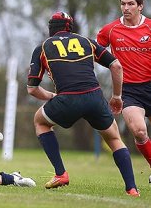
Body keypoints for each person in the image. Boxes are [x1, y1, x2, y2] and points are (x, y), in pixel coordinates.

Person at [27, 11, 139, 196]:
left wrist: (52, 96)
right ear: (70, 27)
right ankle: (132, 188)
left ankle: (60, 173)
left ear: (51, 28)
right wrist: (117, 96)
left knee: (40, 121)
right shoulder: (86, 41)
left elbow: (32, 89)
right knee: (114, 139)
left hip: (67, 99)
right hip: (94, 97)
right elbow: (117, 66)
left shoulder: (43, 47)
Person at [97, 0, 151, 183]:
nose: (126, 8)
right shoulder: (109, 30)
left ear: (140, 6)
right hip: (129, 90)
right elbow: (97, 52)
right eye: (123, 4)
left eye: (130, 4)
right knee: (139, 131)